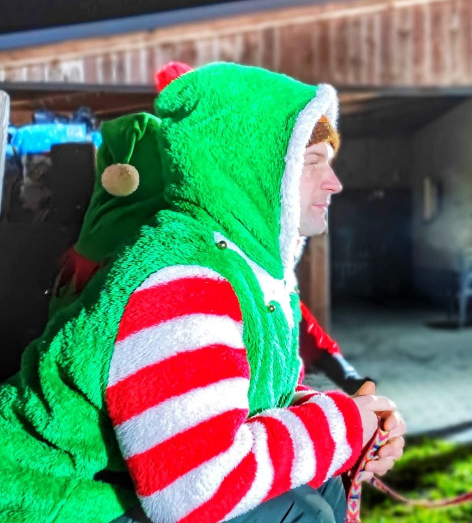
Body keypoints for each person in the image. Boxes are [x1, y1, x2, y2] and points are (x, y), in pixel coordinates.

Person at [0, 62, 405, 523]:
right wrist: (344, 428)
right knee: (298, 514)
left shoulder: (249, 274)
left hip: (121, 486)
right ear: (250, 167)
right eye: (312, 163)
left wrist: (349, 421)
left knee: (323, 485)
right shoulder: (183, 280)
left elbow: (239, 398)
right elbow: (194, 491)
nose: (335, 183)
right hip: (56, 501)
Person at [49, 71, 371, 396]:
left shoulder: (227, 255)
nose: (333, 183)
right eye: (310, 162)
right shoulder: (180, 270)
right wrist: (342, 414)